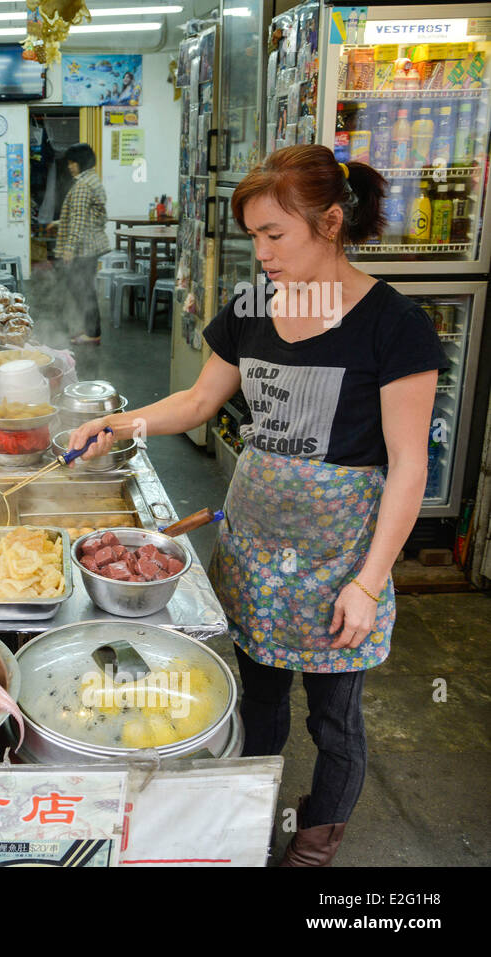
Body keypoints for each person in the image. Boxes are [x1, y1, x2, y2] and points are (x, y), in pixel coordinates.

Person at [68, 145, 448, 866]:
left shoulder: (395, 326)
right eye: (255, 237)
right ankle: (250, 815)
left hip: (343, 560)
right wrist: (114, 423)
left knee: (335, 720)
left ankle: (314, 839)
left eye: (276, 234)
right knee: (261, 698)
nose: (262, 253)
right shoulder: (251, 309)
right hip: (256, 543)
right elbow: (197, 400)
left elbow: (407, 467)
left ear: (331, 222)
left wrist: (368, 582)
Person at [53, 142, 110, 346]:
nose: (70, 166)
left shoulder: (83, 186)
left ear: (81, 163)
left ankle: (93, 333)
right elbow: (89, 215)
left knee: (83, 291)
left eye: (73, 162)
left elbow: (78, 220)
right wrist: (60, 222)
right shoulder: (92, 180)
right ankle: (89, 329)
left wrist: (69, 249)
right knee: (84, 289)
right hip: (91, 246)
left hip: (84, 249)